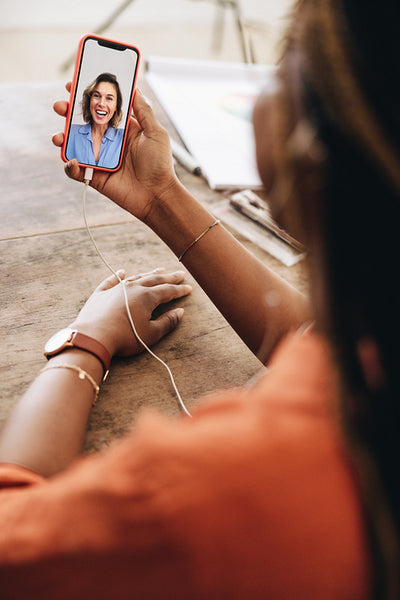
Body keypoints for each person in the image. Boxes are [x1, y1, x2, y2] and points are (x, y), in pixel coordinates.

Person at [0, 0, 399, 597]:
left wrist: (84, 346)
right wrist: (162, 196)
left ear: (307, 151)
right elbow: (321, 343)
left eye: (282, 63)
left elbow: (11, 541)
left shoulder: (216, 485)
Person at [65, 72, 124, 169]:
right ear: (89, 101)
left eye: (109, 98)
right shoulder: (71, 132)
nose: (101, 103)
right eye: (97, 96)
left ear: (116, 107)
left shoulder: (125, 138)